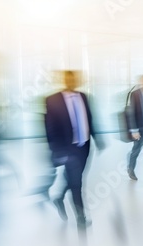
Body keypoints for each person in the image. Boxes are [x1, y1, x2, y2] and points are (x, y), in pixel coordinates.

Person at [44, 70, 104, 227]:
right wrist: (58, 151)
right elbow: (50, 128)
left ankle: (59, 198)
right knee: (77, 183)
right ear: (64, 80)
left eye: (75, 79)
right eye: (69, 79)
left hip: (84, 146)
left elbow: (90, 120)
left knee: (74, 178)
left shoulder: (84, 96)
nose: (72, 82)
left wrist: (98, 139)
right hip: (68, 148)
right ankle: (81, 218)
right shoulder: (53, 100)